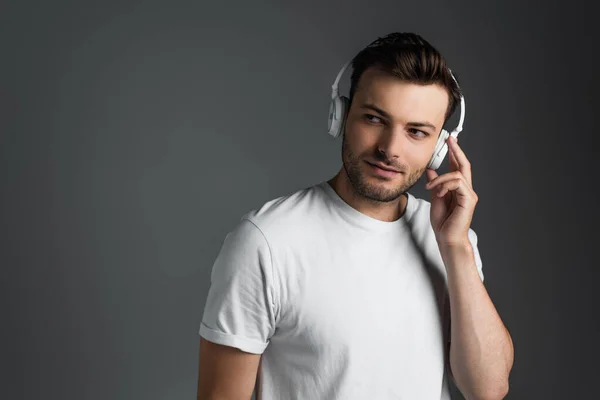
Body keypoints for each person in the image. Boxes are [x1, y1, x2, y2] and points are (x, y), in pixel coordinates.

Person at [196, 32, 514, 400]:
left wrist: (456, 247)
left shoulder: (451, 240)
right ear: (342, 116)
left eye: (416, 132)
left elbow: (488, 390)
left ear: (440, 147)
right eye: (375, 118)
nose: (390, 149)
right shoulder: (265, 243)